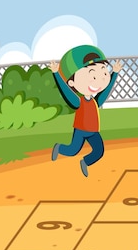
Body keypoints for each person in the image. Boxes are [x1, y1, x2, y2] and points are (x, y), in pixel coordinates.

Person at [48, 44, 122, 177]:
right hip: (81, 131)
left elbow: (106, 91)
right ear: (72, 83)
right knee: (72, 151)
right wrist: (56, 74)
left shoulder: (95, 101)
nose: (100, 80)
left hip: (93, 132)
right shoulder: (78, 102)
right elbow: (66, 92)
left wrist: (114, 73)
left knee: (99, 151)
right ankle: (59, 147)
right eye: (93, 77)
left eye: (104, 73)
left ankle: (85, 162)